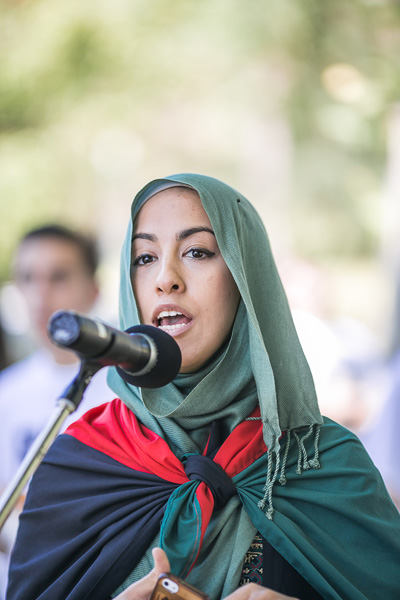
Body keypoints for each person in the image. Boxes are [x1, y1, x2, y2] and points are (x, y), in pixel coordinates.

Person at [6, 176, 400, 600]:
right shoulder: (80, 463)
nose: (166, 279)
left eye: (197, 252)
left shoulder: (326, 465)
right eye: (144, 258)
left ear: (246, 278)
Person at [0, 225, 115, 598]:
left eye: (59, 277)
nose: (40, 295)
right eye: (27, 278)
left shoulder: (126, 389)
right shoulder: (7, 393)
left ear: (93, 288)